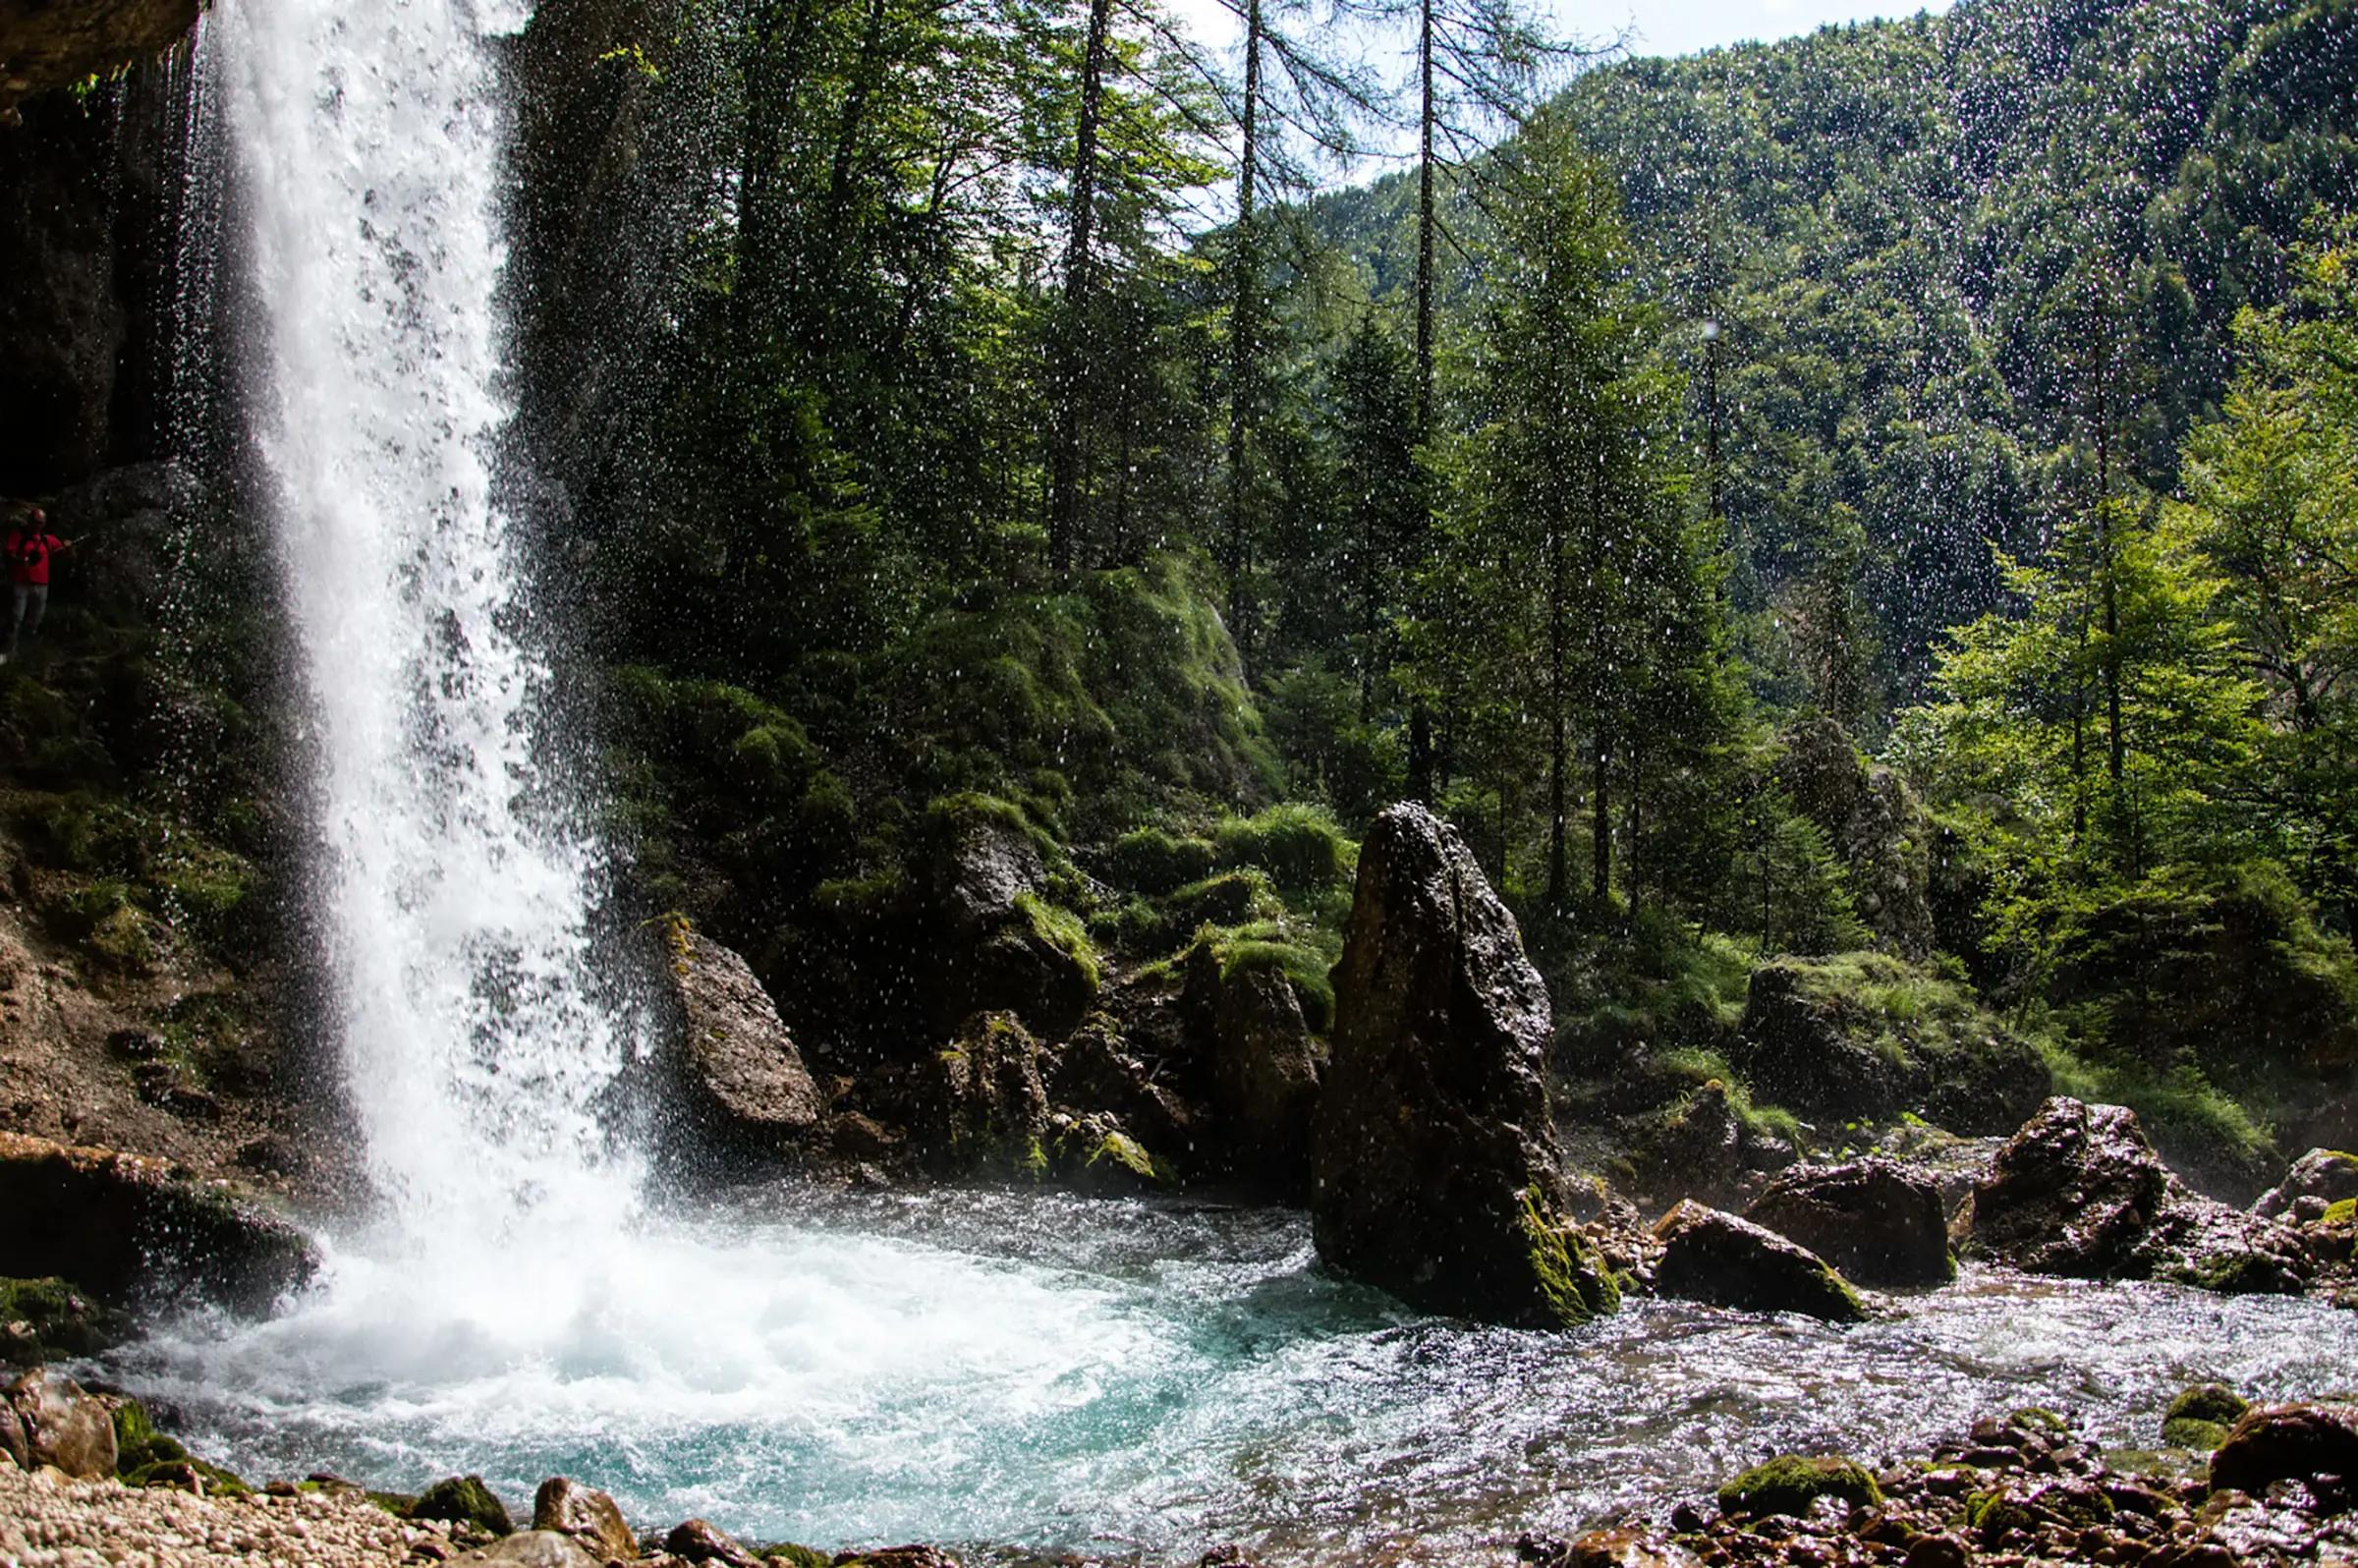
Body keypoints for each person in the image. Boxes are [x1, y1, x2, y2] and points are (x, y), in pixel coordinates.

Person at [4, 507, 74, 665]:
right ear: (29, 521)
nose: (38, 526)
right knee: (16, 618)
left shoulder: (48, 540)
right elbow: (9, 554)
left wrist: (68, 547)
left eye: (41, 523)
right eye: (35, 522)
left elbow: (67, 555)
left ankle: (24, 655)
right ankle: (7, 652)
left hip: (41, 587)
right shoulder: (18, 536)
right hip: (21, 583)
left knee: (34, 621)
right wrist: (25, 560)